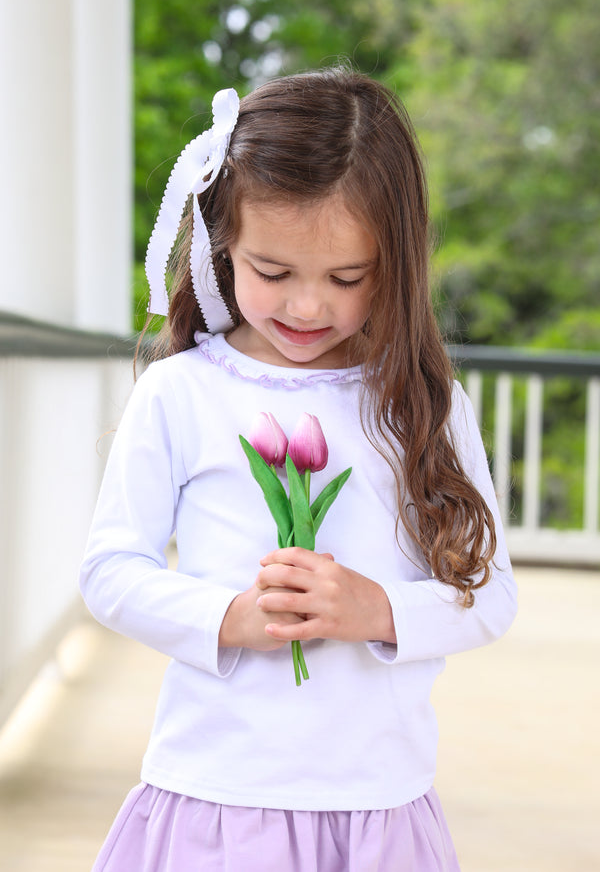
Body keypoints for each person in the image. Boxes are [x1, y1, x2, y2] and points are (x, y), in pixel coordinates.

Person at [80, 66, 517, 871]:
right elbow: (111, 570)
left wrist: (378, 608)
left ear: (399, 261)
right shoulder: (184, 393)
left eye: (348, 278)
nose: (307, 308)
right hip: (215, 795)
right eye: (272, 273)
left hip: (376, 805)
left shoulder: (422, 402)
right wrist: (229, 619)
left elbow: (488, 597)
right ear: (222, 246)